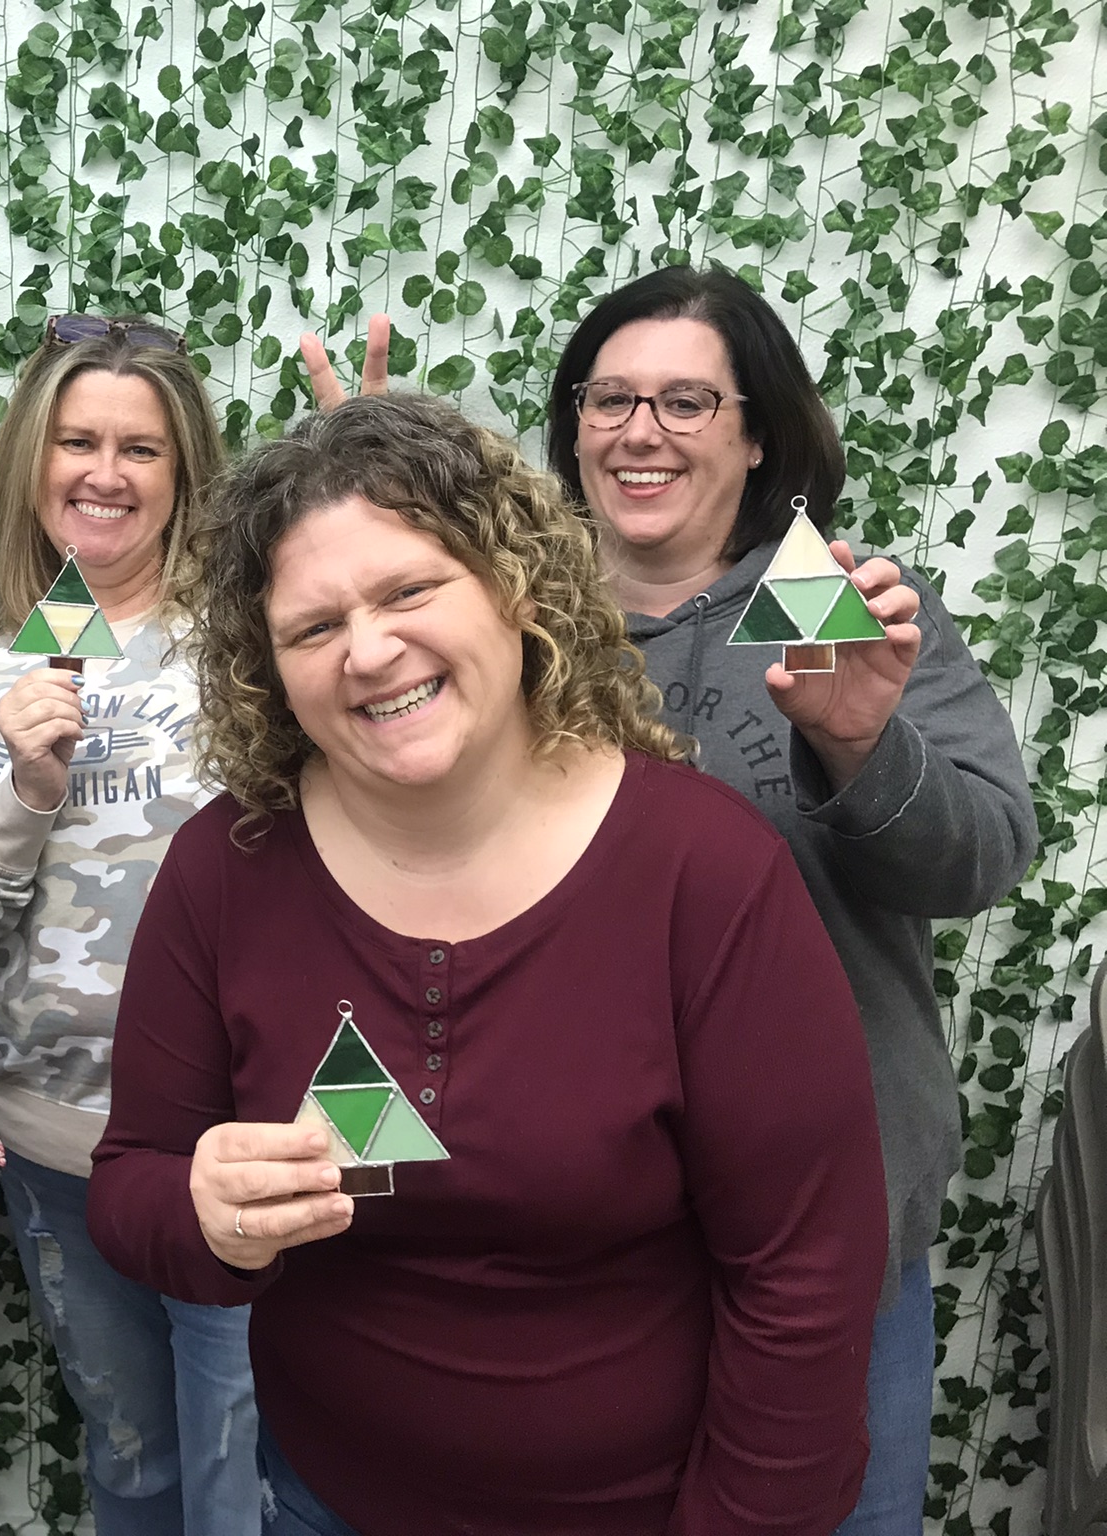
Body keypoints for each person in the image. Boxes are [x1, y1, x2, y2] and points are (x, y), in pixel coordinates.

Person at [304, 282, 1038, 1533]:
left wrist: (862, 746)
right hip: (569, 1240)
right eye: (609, 398)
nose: (640, 430)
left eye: (687, 399)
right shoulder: (502, 621)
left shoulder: (842, 605)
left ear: (757, 433)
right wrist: (383, 529)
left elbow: (976, 862)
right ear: (572, 423)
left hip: (825, 1242)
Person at [88, 392, 890, 1536]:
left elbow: (805, 1277)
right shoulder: (225, 868)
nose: (368, 651)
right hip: (323, 1501)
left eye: (410, 590)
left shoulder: (702, 873)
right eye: (312, 629)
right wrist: (205, 1212)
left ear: (515, 588)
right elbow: (132, 1186)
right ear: (268, 668)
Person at [0, 316, 257, 1534]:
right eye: (77, 442)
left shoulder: (252, 653)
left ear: (182, 474)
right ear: (31, 466)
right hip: (50, 1152)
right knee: (136, 1460)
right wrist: (21, 791)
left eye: (140, 449)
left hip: (232, 1148)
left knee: (247, 1466)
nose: (104, 473)